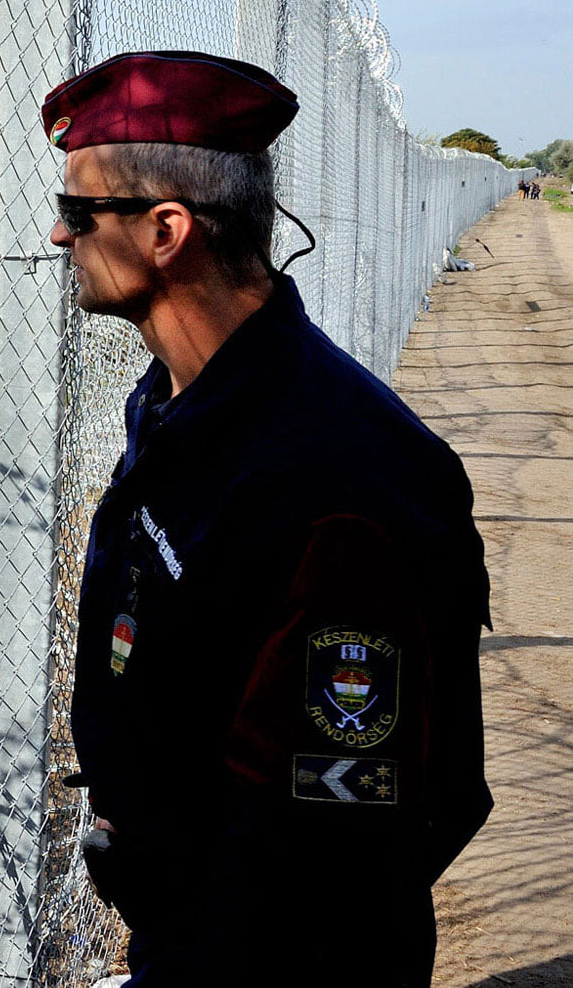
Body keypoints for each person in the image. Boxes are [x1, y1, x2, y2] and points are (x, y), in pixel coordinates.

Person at [45, 51, 492, 985]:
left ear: (165, 230)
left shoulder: (336, 474)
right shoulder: (184, 404)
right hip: (191, 921)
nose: (57, 234)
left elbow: (335, 837)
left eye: (82, 213)